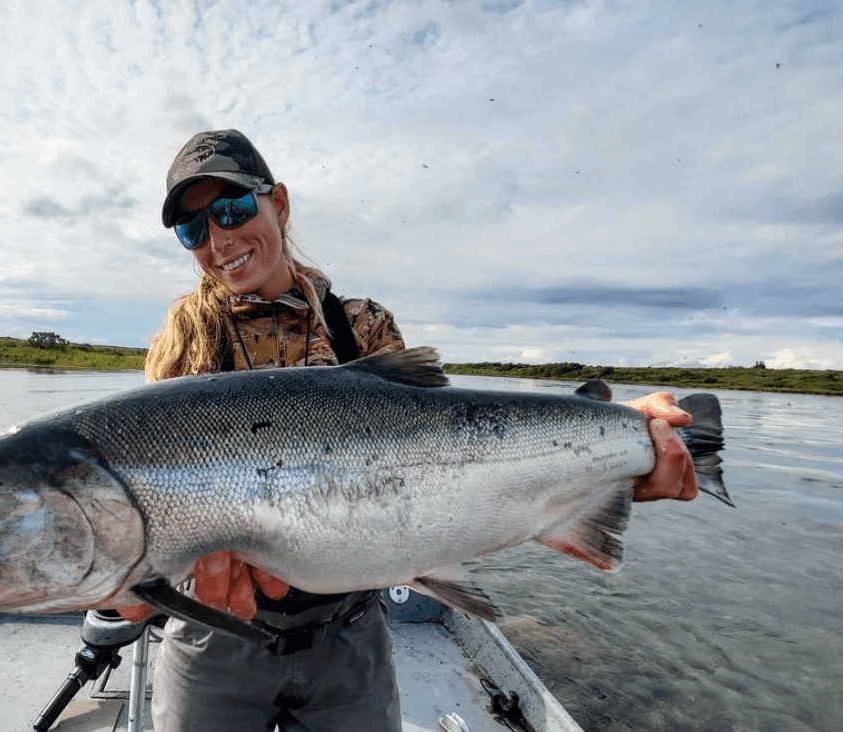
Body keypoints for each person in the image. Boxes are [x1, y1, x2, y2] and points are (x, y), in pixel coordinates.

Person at [117, 129, 700, 731]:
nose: (219, 239)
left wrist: (623, 436)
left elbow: (446, 456)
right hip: (215, 643)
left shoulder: (361, 326)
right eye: (193, 229)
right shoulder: (180, 351)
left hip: (349, 638)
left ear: (280, 204)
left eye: (232, 208)